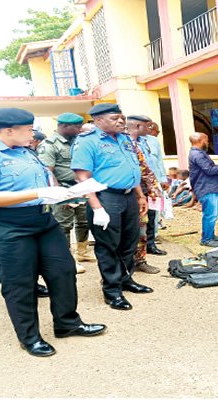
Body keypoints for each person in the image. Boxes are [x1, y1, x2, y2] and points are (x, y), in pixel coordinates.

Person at [0, 108, 105, 357]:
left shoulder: (25, 151)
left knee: (63, 270)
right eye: (28, 129)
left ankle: (67, 323)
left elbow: (42, 182)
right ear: (9, 131)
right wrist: (38, 194)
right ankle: (30, 337)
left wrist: (62, 193)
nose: (32, 133)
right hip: (6, 225)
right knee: (20, 282)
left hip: (41, 220)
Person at [71, 103, 153, 311]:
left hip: (128, 197)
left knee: (129, 241)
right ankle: (112, 290)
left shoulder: (124, 139)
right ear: (98, 121)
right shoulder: (87, 142)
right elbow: (82, 177)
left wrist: (140, 196)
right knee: (108, 245)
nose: (121, 121)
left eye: (121, 117)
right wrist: (96, 207)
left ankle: (126, 279)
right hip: (106, 197)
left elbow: (131, 168)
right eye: (114, 118)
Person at [37, 112, 95, 275]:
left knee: (83, 221)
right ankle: (67, 257)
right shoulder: (49, 145)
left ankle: (82, 252)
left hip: (81, 188)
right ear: (63, 126)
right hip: (63, 189)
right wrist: (60, 194)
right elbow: (48, 172)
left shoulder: (78, 141)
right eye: (76, 127)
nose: (79, 129)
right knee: (64, 225)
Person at [127, 115, 163, 274]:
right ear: (137, 126)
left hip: (142, 194)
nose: (149, 129)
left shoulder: (143, 143)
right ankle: (121, 267)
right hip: (124, 194)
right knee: (124, 231)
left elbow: (146, 168)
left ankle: (140, 260)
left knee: (142, 227)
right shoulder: (123, 143)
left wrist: (153, 187)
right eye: (146, 126)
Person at [188, 132, 218, 247]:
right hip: (206, 187)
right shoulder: (198, 155)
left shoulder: (198, 153)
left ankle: (210, 235)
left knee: (212, 213)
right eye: (206, 140)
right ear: (200, 140)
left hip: (208, 186)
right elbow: (210, 170)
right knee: (210, 214)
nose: (207, 143)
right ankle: (206, 239)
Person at [144, 120, 169, 253]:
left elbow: (158, 161)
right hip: (137, 184)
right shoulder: (127, 140)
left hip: (153, 183)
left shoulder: (153, 141)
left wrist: (163, 179)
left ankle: (151, 243)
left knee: (153, 213)